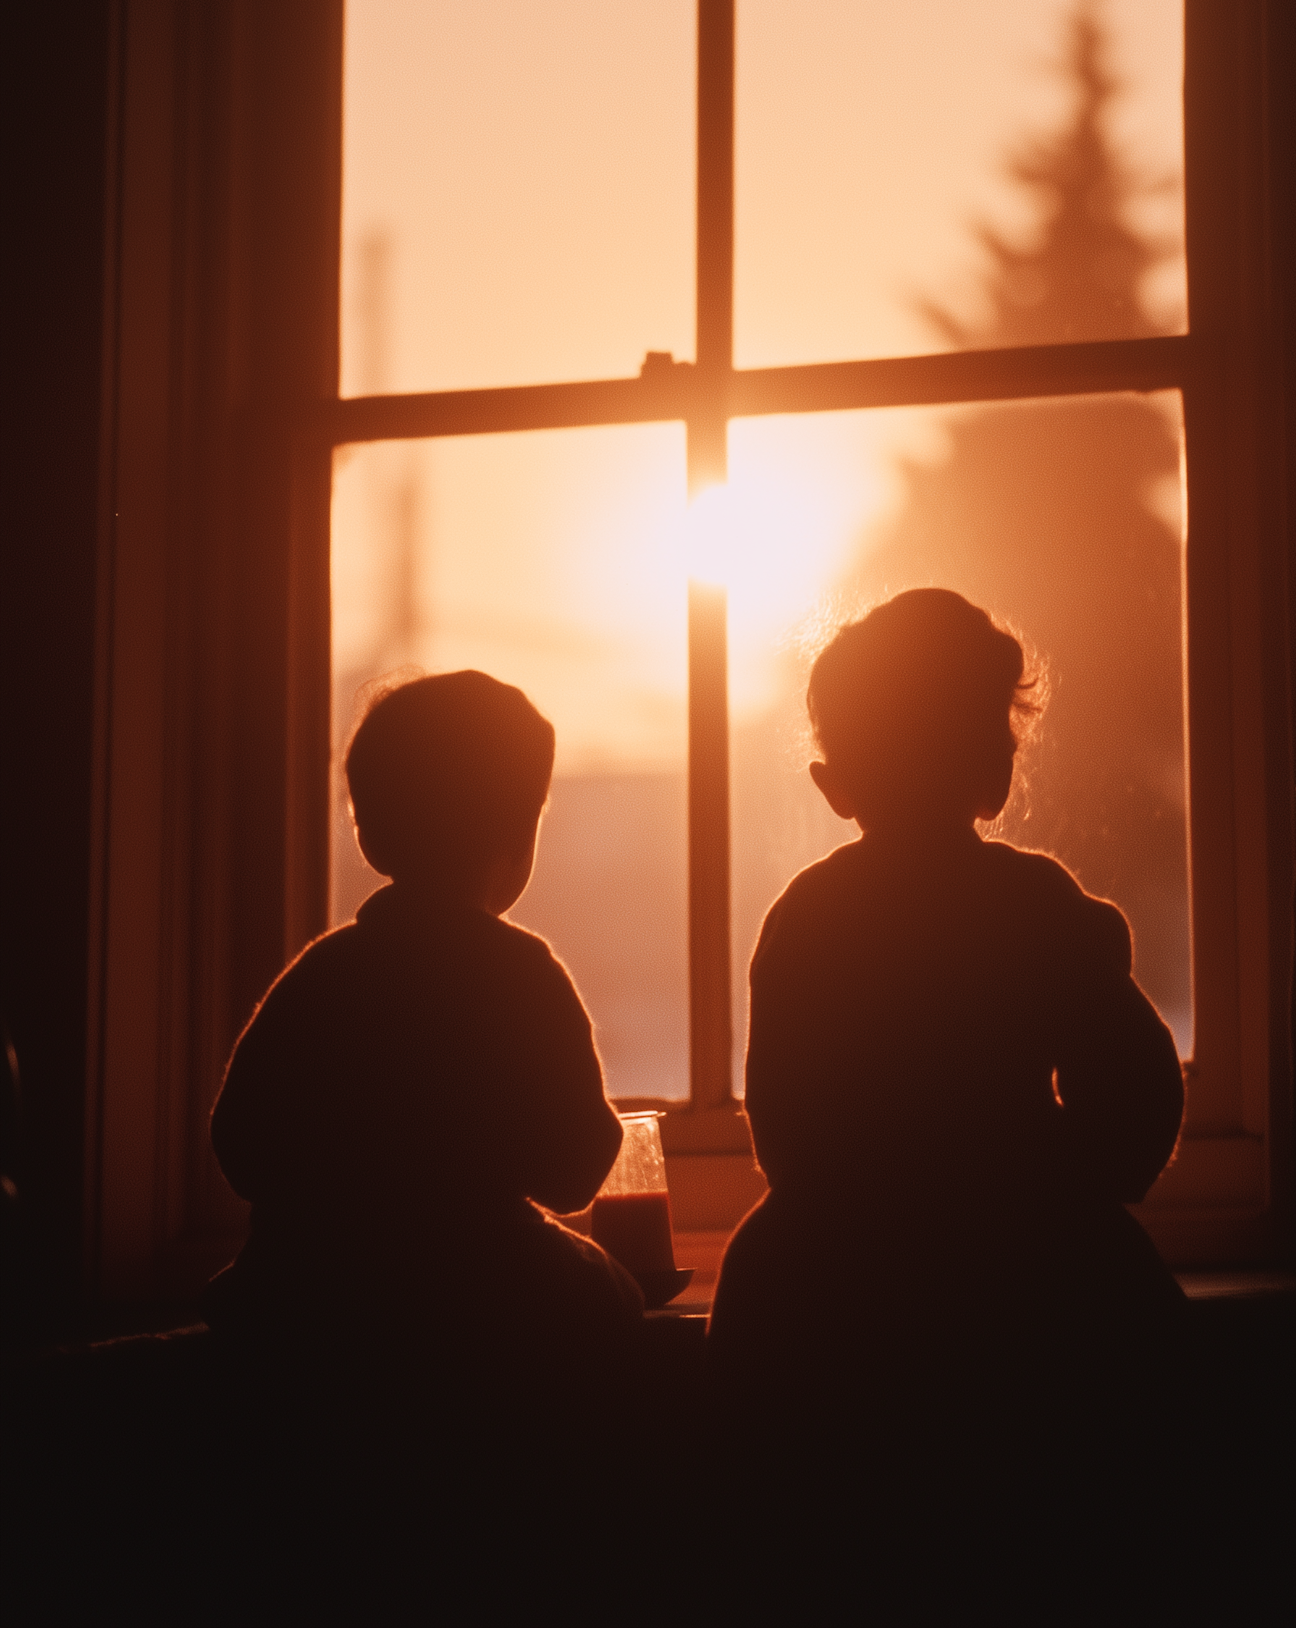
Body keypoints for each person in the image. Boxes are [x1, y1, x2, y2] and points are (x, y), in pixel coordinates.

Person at [708, 588, 1186, 1417]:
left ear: (835, 784)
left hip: (831, 1289)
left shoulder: (807, 917)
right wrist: (1045, 1183)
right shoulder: (1037, 906)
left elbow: (784, 1134)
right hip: (1033, 1280)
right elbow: (1142, 1101)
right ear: (997, 768)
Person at [204, 670, 642, 1379]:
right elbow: (575, 1169)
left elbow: (239, 1143)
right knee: (610, 1300)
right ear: (519, 833)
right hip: (477, 1292)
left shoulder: (321, 975)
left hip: (305, 1299)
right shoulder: (521, 975)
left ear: (368, 832)